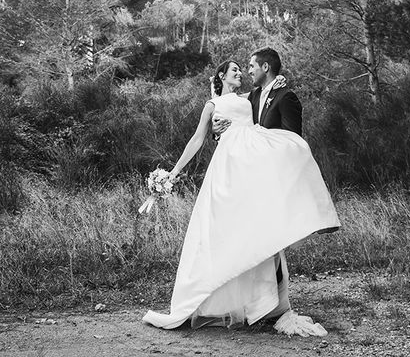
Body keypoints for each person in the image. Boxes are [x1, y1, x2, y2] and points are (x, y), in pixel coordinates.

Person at [142, 57, 340, 334]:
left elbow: (266, 91)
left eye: (241, 69)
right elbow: (197, 139)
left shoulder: (250, 97)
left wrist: (277, 81)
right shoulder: (213, 106)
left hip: (252, 162)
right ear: (221, 76)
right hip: (229, 167)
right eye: (235, 70)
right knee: (226, 230)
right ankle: (219, 298)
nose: (241, 73)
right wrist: (173, 173)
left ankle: (264, 302)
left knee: (257, 224)